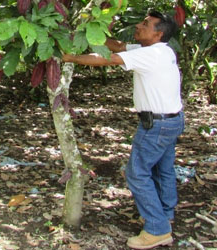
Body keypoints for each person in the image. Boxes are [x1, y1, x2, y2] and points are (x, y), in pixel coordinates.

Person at [62, 10, 184, 249]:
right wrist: (90, 28)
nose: (139, 25)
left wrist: (68, 58)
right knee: (163, 169)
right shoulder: (160, 50)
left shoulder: (151, 54)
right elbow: (115, 46)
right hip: (172, 121)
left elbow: (107, 58)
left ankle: (157, 229)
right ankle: (165, 213)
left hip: (157, 125)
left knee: (137, 173)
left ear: (158, 34)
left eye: (146, 24)